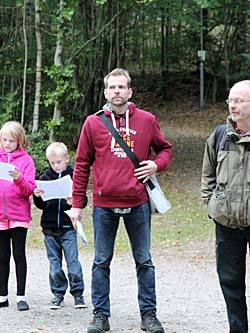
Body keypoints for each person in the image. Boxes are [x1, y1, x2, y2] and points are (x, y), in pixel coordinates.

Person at [71, 68, 172, 333]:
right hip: (104, 205)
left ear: (130, 91)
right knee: (101, 262)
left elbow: (165, 149)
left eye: (121, 87)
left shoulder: (147, 120)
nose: (117, 91)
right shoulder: (93, 123)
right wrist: (76, 204)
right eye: (112, 87)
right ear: (105, 92)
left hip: (138, 202)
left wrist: (155, 165)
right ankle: (100, 316)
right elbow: (81, 164)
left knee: (144, 261)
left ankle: (149, 315)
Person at [201, 80, 250, 333]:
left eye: (239, 100)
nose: (233, 105)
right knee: (230, 283)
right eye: (230, 100)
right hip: (227, 224)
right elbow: (207, 174)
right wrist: (211, 204)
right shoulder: (219, 135)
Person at [33, 142, 87, 310]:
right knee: (54, 265)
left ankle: (78, 294)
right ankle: (58, 294)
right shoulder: (44, 177)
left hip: (68, 227)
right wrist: (37, 196)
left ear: (67, 159)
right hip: (49, 228)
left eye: (59, 161)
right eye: (52, 162)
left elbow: (83, 200)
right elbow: (41, 205)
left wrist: (75, 201)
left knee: (73, 263)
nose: (56, 165)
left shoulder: (74, 176)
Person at [0, 121, 36, 311]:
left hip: (19, 215)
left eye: (11, 140)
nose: (7, 144)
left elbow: (29, 188)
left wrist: (18, 178)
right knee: (2, 256)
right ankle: (2, 295)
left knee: (19, 255)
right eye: (4, 140)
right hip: (0, 216)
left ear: (19, 140)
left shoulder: (26, 161)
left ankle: (21, 296)